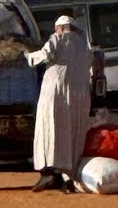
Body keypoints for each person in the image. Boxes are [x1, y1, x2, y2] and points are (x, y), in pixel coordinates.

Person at [24, 14, 94, 193]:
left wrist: (27, 56)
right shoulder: (84, 46)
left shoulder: (58, 39)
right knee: (72, 133)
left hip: (56, 93)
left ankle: (49, 174)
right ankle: (68, 177)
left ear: (61, 28)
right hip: (79, 94)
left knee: (51, 129)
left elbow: (46, 55)